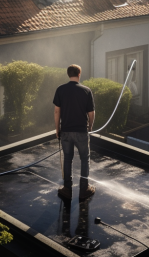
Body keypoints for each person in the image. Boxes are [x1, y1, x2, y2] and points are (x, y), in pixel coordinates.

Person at [53, 64, 96, 200]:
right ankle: (84, 189)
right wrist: (90, 127)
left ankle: (67, 188)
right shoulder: (86, 91)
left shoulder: (60, 89)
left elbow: (56, 111)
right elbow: (91, 112)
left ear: (68, 74)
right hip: (81, 131)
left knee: (67, 159)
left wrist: (57, 129)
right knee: (84, 159)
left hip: (65, 131)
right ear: (79, 74)